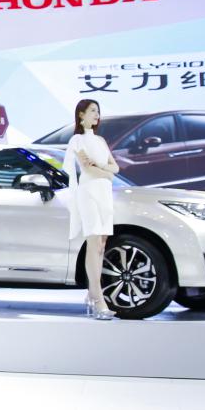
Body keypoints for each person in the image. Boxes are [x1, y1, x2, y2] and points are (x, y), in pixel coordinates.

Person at [63, 99, 119, 320]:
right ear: (81, 114)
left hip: (104, 193)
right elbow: (88, 168)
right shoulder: (77, 140)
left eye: (98, 111)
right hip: (89, 192)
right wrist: (107, 173)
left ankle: (92, 293)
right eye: (93, 111)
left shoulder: (101, 140)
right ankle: (98, 298)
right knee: (94, 241)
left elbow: (116, 166)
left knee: (102, 244)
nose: (97, 115)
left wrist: (104, 168)